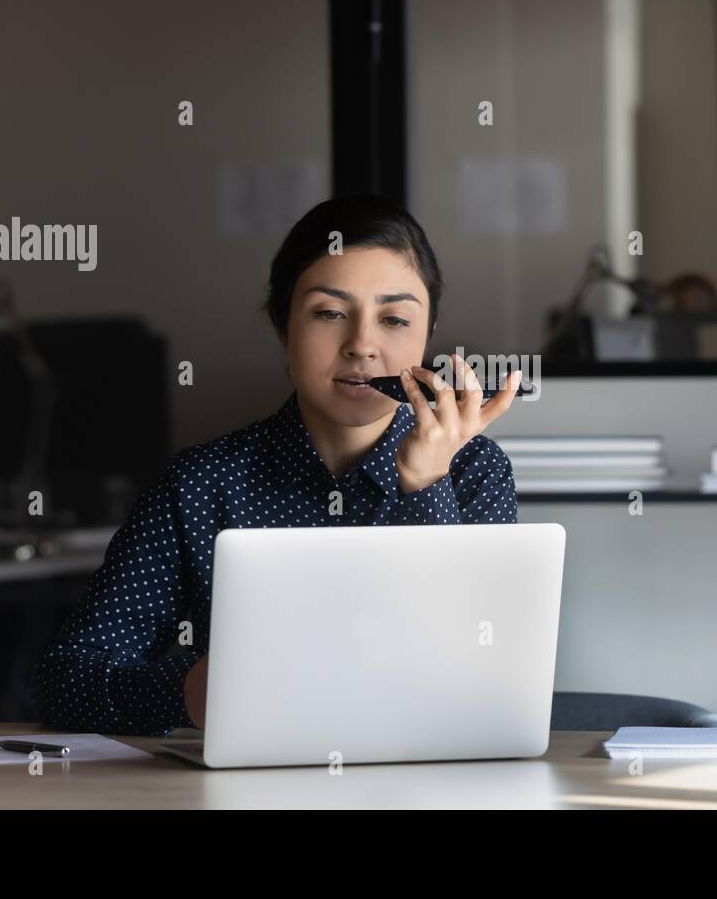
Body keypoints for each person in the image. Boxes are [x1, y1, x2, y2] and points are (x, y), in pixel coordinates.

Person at [31, 195, 521, 735]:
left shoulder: (473, 470)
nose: (362, 345)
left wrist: (426, 483)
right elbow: (64, 682)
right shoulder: (201, 483)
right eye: (330, 313)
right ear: (281, 325)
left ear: (427, 337)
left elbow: (476, 679)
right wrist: (185, 692)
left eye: (395, 319)